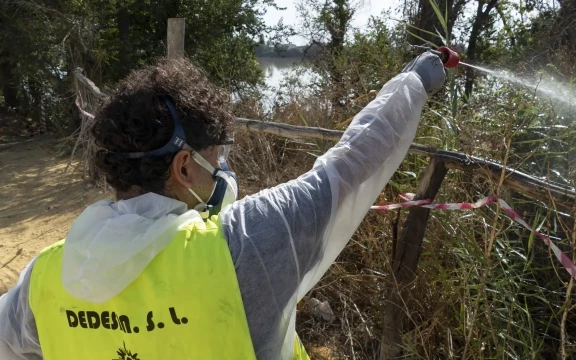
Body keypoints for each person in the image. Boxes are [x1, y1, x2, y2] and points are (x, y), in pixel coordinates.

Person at [0, 50, 445, 359]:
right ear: (183, 167)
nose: (223, 171)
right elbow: (352, 163)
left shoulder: (46, 277)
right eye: (216, 159)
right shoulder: (248, 243)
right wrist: (415, 81)